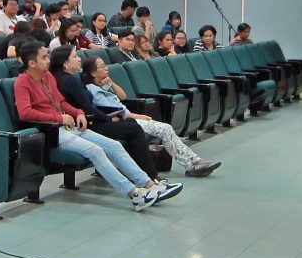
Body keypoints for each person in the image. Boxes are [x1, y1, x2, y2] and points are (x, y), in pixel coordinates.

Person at [14, 41, 178, 211]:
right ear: (31, 63)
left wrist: (77, 112)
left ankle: (149, 184)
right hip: (52, 131)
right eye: (43, 57)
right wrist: (59, 118)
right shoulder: (22, 83)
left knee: (113, 146)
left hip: (68, 126)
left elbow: (60, 101)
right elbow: (25, 113)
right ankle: (134, 195)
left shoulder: (48, 77)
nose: (48, 60)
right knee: (96, 151)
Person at [50, 46, 171, 185]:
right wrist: (108, 118)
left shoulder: (66, 78)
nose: (79, 59)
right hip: (89, 124)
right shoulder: (69, 80)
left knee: (131, 125)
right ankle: (150, 175)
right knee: (134, 129)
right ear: (65, 63)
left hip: (89, 120)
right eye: (75, 57)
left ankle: (138, 173)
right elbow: (87, 108)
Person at [83, 56, 222, 177]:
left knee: (165, 128)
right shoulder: (92, 89)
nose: (106, 68)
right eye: (102, 66)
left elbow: (123, 97)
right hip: (125, 119)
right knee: (165, 128)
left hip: (129, 117)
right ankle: (192, 163)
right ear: (94, 72)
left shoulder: (103, 85)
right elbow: (115, 111)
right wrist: (138, 115)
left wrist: (111, 83)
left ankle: (193, 162)